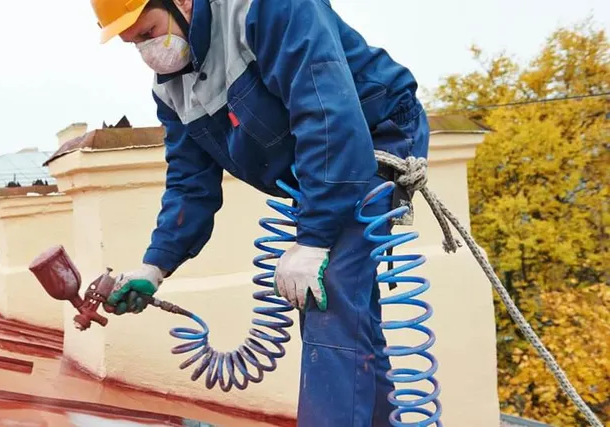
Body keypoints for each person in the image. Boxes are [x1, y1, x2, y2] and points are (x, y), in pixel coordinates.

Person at [89, 0, 431, 425]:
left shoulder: (267, 9)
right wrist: (154, 267)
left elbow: (326, 114)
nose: (147, 52)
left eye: (148, 32)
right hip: (319, 162)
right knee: (343, 308)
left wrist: (313, 241)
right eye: (133, 44)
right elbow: (189, 184)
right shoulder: (171, 87)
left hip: (372, 133)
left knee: (329, 288)